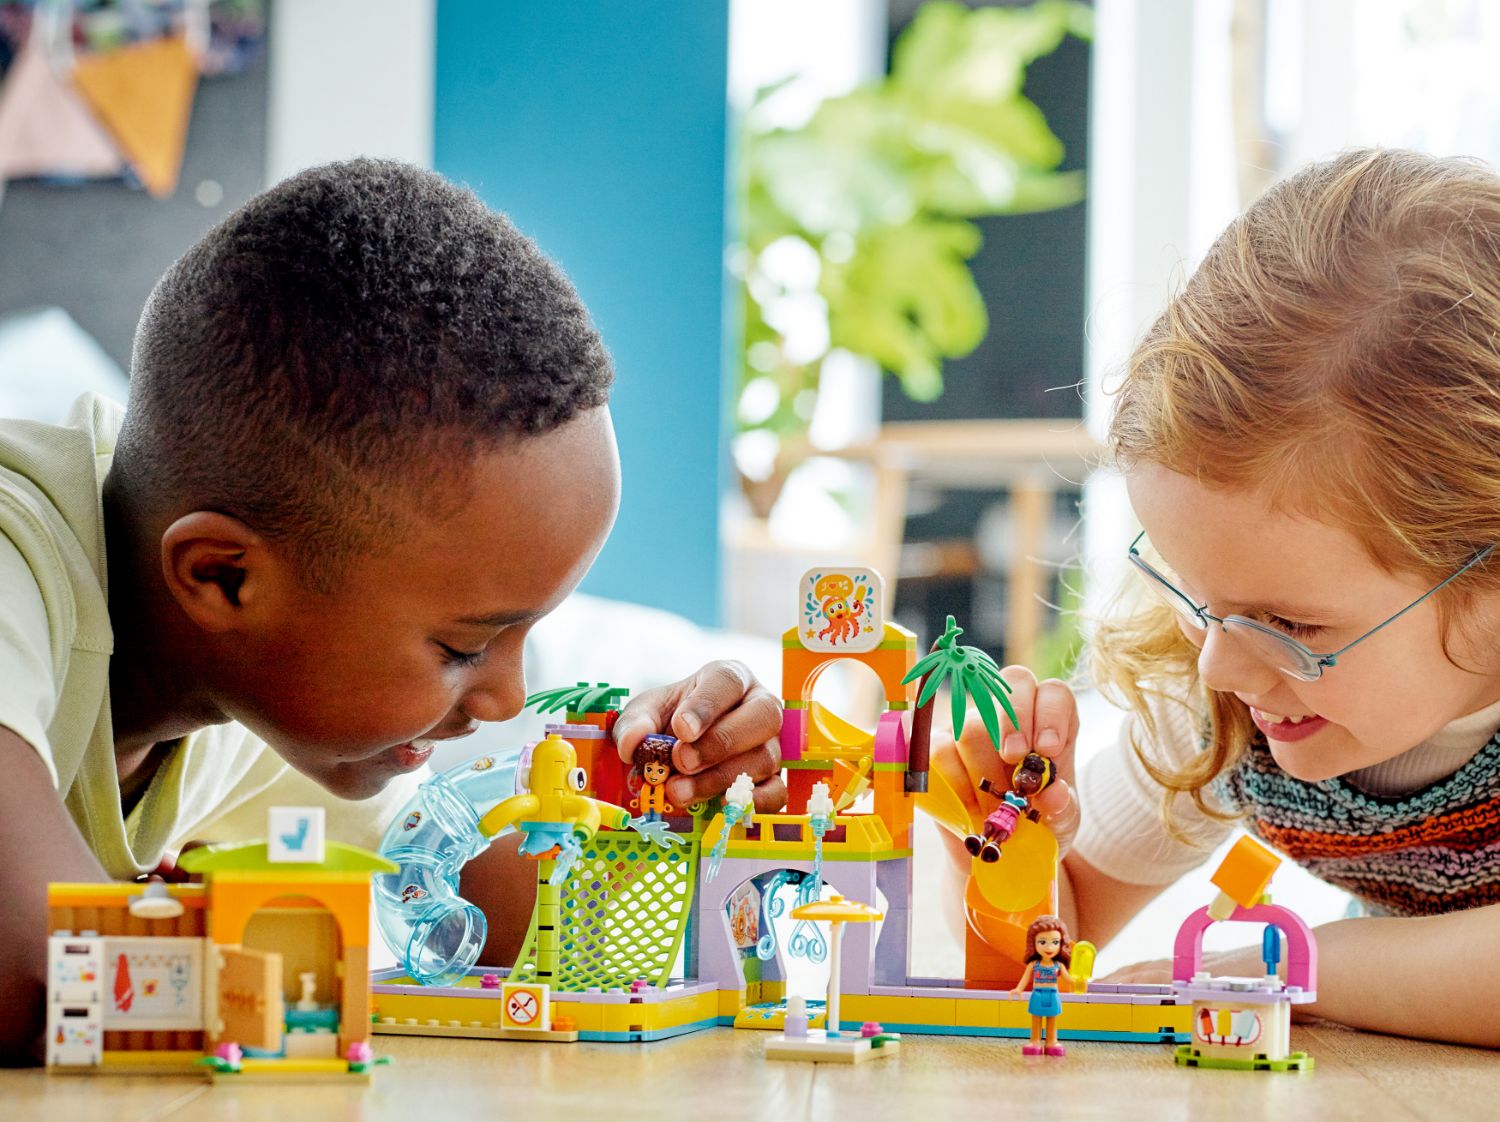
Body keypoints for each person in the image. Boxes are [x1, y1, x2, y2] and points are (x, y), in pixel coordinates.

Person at [0, 160, 783, 1061]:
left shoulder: (257, 695)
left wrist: (647, 802)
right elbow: (38, 979)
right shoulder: (20, 561)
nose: (506, 699)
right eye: (462, 648)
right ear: (222, 579)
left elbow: (528, 934)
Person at [939, 149, 1500, 1049]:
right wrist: (1009, 845)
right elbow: (1053, 947)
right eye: (1195, 596)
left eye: (1293, 624)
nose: (1219, 665)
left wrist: (1280, 971)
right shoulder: (1223, 704)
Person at [1011, 915, 1073, 1058]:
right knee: (1036, 1019)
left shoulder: (1059, 965)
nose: (1049, 947)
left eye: (1055, 942)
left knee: (1052, 1019)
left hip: (1052, 994)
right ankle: (1035, 1041)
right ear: (1033, 943)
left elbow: (1068, 979)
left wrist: (1078, 982)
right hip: (1037, 994)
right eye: (1042, 942)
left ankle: (1051, 1041)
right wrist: (1018, 989)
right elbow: (1025, 978)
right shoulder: (1034, 964)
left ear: (1061, 943)